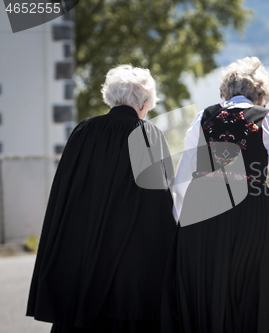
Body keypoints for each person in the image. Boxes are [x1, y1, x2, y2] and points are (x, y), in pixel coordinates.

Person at [168, 57, 269, 333]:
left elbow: (184, 175)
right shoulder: (266, 119)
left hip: (206, 212)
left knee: (212, 285)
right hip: (252, 212)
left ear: (225, 92)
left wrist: (177, 218)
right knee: (256, 285)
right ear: (260, 95)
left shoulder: (204, 118)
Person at [27, 65, 177, 332]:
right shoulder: (147, 135)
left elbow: (65, 195)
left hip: (84, 262)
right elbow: (161, 206)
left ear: (112, 97)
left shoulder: (84, 131)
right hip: (131, 273)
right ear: (143, 103)